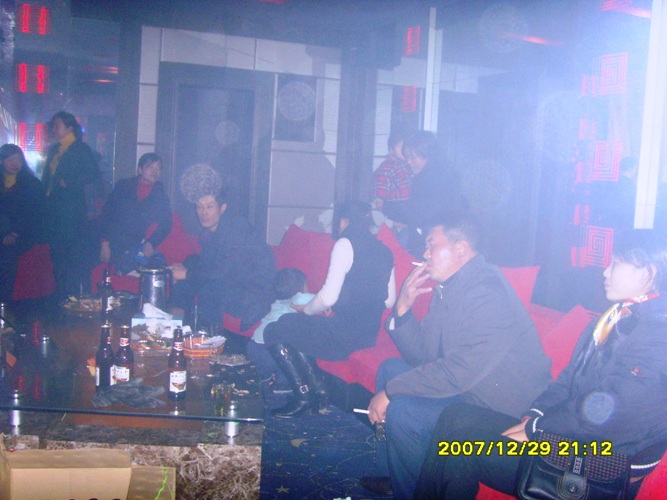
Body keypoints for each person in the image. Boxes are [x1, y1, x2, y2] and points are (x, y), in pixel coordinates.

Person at [414, 229, 667, 499]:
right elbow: (568, 379)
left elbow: (610, 413)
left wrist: (539, 429)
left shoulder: (657, 335)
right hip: (570, 435)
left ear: (646, 274)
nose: (605, 272)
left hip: (602, 460)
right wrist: (536, 414)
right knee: (456, 416)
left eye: (615, 264)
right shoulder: (612, 318)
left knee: (464, 448)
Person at [360, 214, 552, 499]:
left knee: (404, 409)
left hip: (498, 409)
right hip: (469, 390)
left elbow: (460, 370)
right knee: (390, 369)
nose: (425, 254)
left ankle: (411, 492)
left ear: (460, 248)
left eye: (431, 245)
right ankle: (397, 476)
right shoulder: (449, 288)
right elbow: (423, 357)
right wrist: (402, 308)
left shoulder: (487, 292)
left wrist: (391, 392)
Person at [263, 201, 396, 418]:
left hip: (343, 335)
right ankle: (320, 391)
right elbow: (389, 300)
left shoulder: (345, 243)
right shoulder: (385, 250)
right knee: (294, 326)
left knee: (275, 329)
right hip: (367, 336)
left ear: (343, 221)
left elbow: (328, 296)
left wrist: (306, 309)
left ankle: (304, 396)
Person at [170, 188, 276, 331]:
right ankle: (176, 329)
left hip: (254, 294)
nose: (203, 213)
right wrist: (181, 269)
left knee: (210, 288)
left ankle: (210, 338)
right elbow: (205, 261)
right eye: (199, 207)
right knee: (185, 282)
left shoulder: (238, 228)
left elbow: (225, 270)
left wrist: (187, 273)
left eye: (209, 207)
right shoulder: (213, 230)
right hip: (235, 283)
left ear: (222, 208)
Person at [42, 111, 100, 298]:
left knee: (70, 253)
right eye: (53, 126)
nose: (54, 129)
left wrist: (69, 182)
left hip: (71, 210)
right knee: (57, 254)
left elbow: (93, 174)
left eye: (57, 125)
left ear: (69, 128)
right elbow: (48, 178)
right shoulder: (55, 149)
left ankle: (71, 295)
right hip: (55, 208)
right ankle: (60, 294)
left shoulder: (80, 148)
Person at [382, 131, 462, 257]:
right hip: (428, 240)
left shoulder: (438, 179)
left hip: (434, 244)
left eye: (413, 157)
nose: (409, 161)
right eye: (407, 157)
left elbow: (420, 212)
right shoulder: (429, 175)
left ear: (428, 156)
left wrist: (388, 207)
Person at [99, 152, 172, 274]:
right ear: (140, 170)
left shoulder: (160, 194)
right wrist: (104, 242)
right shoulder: (123, 186)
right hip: (115, 241)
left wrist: (151, 242)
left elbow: (166, 223)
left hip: (138, 247)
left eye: (158, 168)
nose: (155, 171)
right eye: (150, 167)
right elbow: (107, 214)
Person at [246, 268, 315, 384]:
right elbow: (324, 299)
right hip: (273, 349)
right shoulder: (298, 298)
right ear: (300, 287)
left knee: (265, 383)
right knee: (284, 382)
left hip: (255, 345)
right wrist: (327, 306)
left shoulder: (278, 301)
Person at [0, 144, 46, 302]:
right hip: (3, 231)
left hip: (22, 234)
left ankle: (6, 303)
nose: (15, 164)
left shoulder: (31, 184)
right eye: (10, 160)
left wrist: (15, 233)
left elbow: (33, 213)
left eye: (18, 160)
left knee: (7, 259)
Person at [371, 129, 412, 211]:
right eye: (400, 146)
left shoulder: (409, 165)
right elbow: (379, 193)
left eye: (406, 146)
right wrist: (382, 209)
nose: (404, 150)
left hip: (408, 207)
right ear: (391, 149)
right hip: (393, 209)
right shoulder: (386, 167)